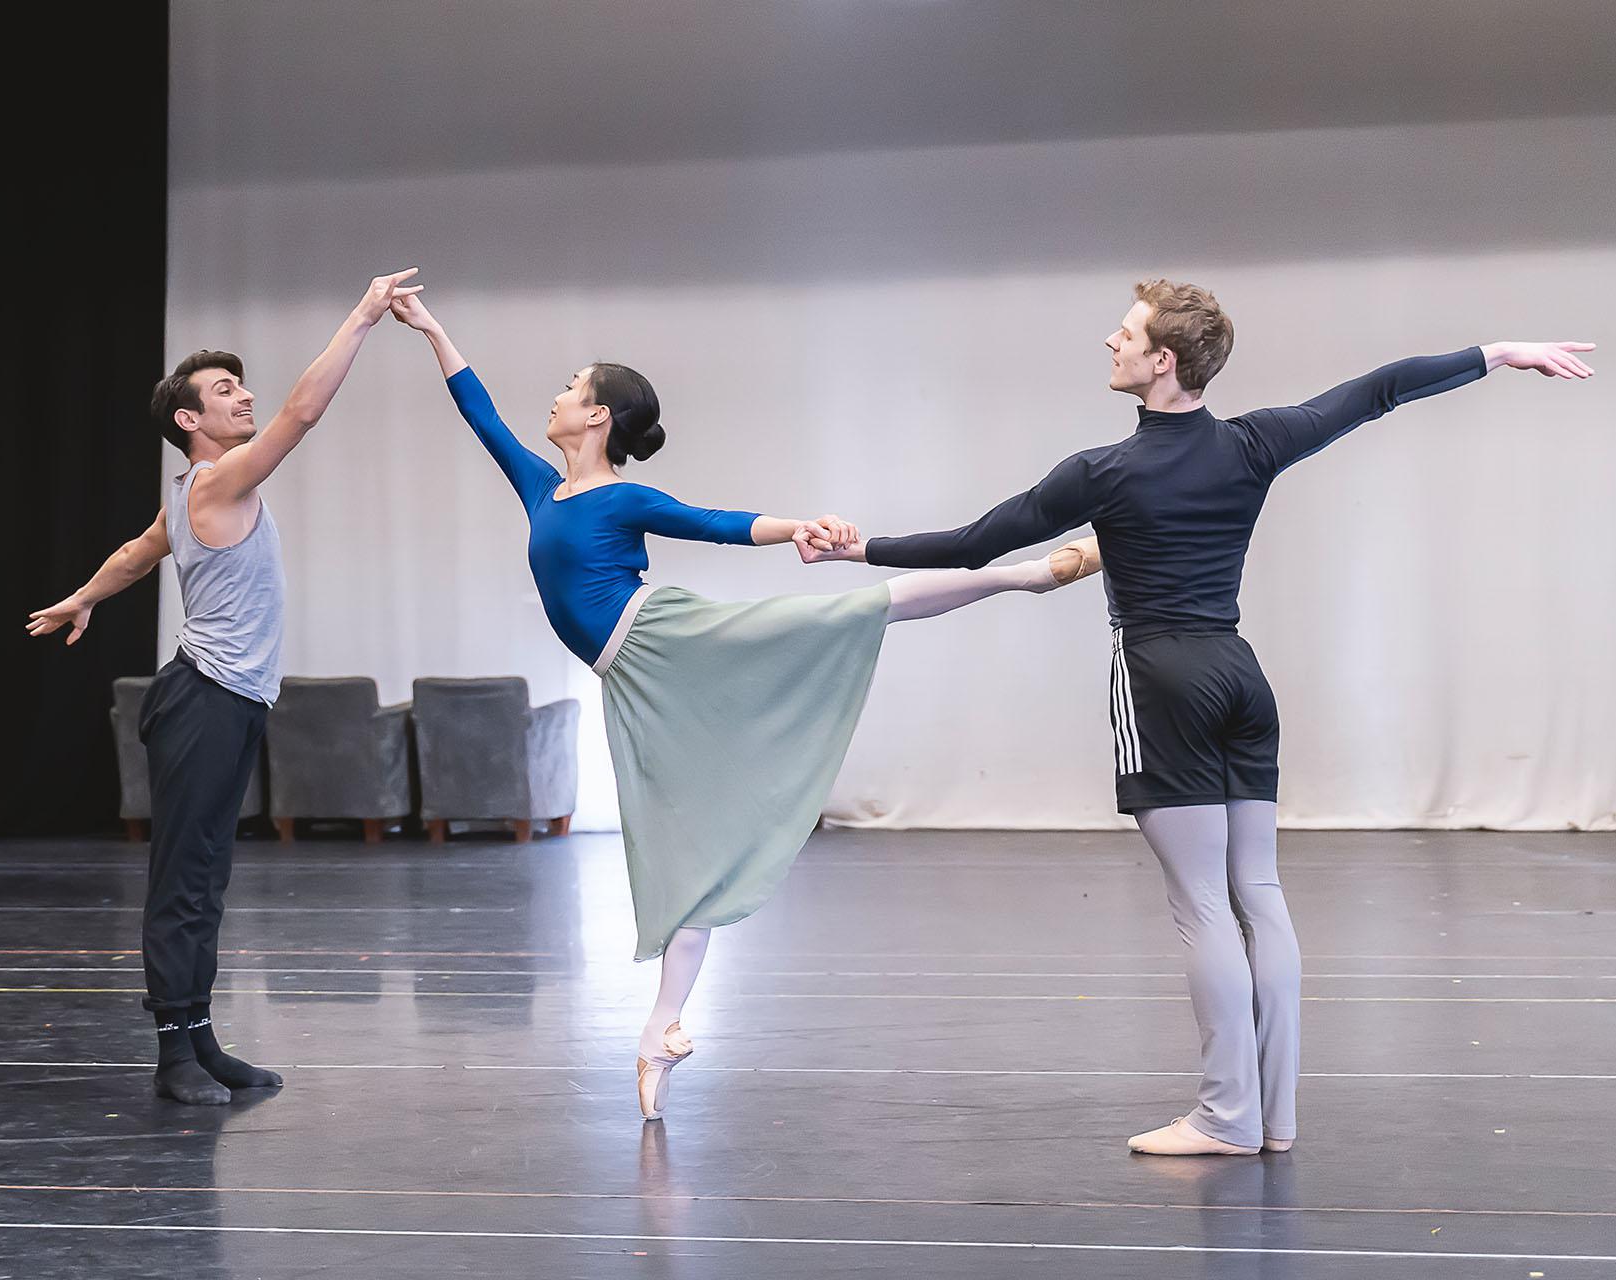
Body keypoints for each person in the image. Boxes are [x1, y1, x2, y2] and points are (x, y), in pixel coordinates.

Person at [801, 277, 1595, 1155]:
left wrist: (857, 547)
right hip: (1239, 676)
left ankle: (1225, 1115)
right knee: (1259, 892)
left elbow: (975, 543)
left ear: (1162, 361)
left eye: (1127, 332)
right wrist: (1499, 353)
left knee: (1202, 908)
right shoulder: (1255, 443)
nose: (1112, 340)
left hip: (1161, 676)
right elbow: (1377, 391)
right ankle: (1274, 1116)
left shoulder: (1102, 472)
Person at [387, 290, 1101, 1120]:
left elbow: (714, 522)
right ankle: (662, 1031)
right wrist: (432, 329)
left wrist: (806, 527)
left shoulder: (621, 499)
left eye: (570, 385)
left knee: (844, 612)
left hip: (668, 641)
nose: (554, 395)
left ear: (599, 416)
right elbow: (477, 413)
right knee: (681, 839)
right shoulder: (541, 486)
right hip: (634, 682)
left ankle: (1025, 574)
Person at [28, 269, 424, 1104]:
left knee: (206, 876)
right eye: (225, 390)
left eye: (243, 387)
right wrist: (361, 314)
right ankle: (174, 1054)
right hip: (203, 701)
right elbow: (304, 413)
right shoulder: (218, 478)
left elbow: (139, 553)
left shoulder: (187, 497)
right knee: (185, 876)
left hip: (226, 703)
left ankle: (199, 1040)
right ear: (189, 420)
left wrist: (82, 597)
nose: (245, 397)